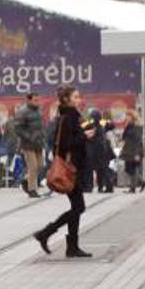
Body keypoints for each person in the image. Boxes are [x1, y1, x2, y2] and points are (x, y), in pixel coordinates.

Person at [33, 86, 94, 258]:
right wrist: (84, 136)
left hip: (74, 168)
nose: (79, 99)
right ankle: (46, 232)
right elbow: (67, 144)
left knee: (76, 207)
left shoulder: (70, 115)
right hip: (71, 169)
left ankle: (72, 247)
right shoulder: (68, 117)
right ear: (66, 99)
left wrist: (86, 132)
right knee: (79, 207)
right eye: (75, 96)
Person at [15, 93, 45, 198]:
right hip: (28, 144)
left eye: (38, 100)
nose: (37, 102)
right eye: (35, 100)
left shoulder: (38, 110)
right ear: (29, 100)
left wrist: (42, 137)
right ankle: (32, 189)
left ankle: (25, 180)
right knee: (33, 166)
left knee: (41, 165)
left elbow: (40, 127)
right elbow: (18, 128)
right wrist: (29, 136)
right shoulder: (22, 111)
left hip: (39, 143)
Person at [121, 110, 145, 193]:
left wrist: (137, 153)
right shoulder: (129, 125)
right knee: (129, 169)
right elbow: (124, 137)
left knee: (131, 169)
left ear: (132, 116)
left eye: (128, 116)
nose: (126, 117)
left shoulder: (138, 126)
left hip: (134, 151)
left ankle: (133, 188)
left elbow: (138, 141)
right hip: (128, 150)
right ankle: (142, 182)